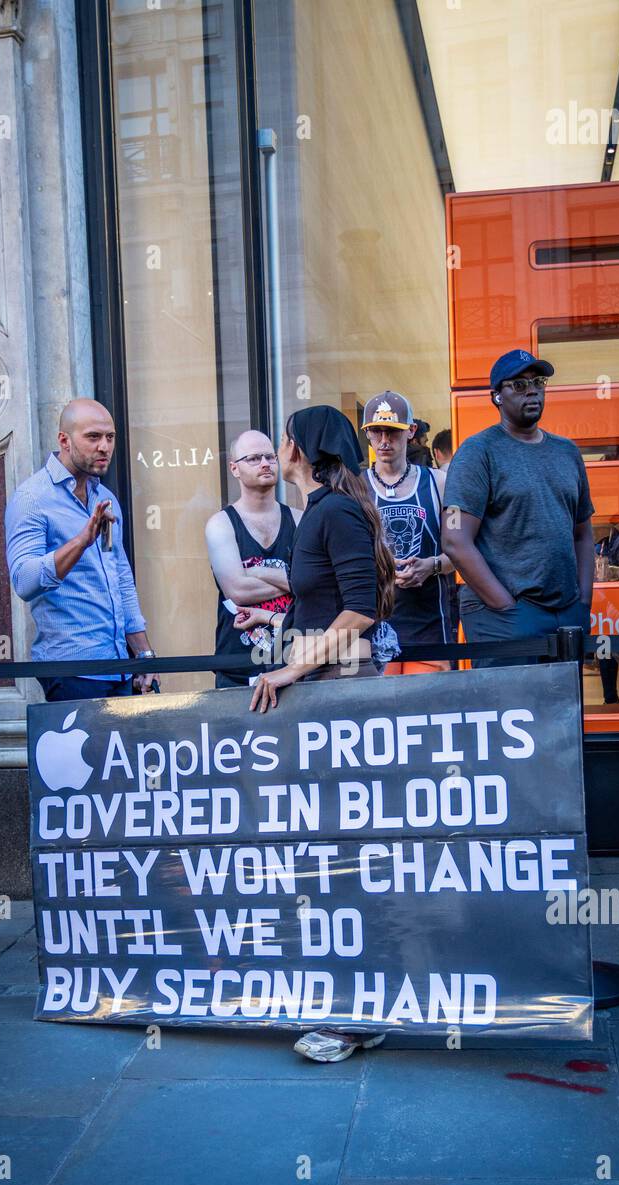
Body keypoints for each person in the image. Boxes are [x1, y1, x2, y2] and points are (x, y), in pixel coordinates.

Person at [234, 405, 396, 1063]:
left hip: (342, 697)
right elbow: (328, 606)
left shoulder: (333, 511)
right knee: (332, 857)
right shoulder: (326, 510)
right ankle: (354, 1008)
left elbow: (363, 607)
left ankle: (355, 1016)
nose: (278, 446)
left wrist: (295, 664)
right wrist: (275, 631)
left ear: (297, 446)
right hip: (329, 694)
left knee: (344, 860)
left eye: (284, 438)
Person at [443, 349, 594, 668]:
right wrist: (505, 606)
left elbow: (582, 534)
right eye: (519, 384)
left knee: (563, 713)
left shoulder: (567, 452)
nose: (532, 390)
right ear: (497, 396)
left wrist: (582, 601)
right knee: (514, 714)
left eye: (538, 382)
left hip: (566, 612)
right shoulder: (477, 452)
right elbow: (455, 540)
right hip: (506, 616)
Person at [5, 399, 161, 702]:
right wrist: (80, 542)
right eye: (93, 437)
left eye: (110, 437)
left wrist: (144, 653)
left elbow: (121, 579)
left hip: (120, 666)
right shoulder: (32, 499)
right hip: (71, 669)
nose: (104, 447)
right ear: (64, 440)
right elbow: (24, 582)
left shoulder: (105, 498)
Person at [362, 391, 456, 675]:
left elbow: (463, 549)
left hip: (429, 624)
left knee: (431, 711)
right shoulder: (355, 489)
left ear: (411, 431)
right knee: (381, 714)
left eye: (393, 431)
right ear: (367, 434)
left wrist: (432, 565)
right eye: (376, 432)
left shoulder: (439, 482)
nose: (384, 440)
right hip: (374, 626)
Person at [205, 430, 299, 688]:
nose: (265, 464)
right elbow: (238, 590)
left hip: (295, 660)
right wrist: (292, 579)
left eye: (270, 457)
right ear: (234, 468)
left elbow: (314, 584)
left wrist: (257, 572)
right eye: (254, 458)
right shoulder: (222, 524)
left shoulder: (300, 520)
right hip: (237, 665)